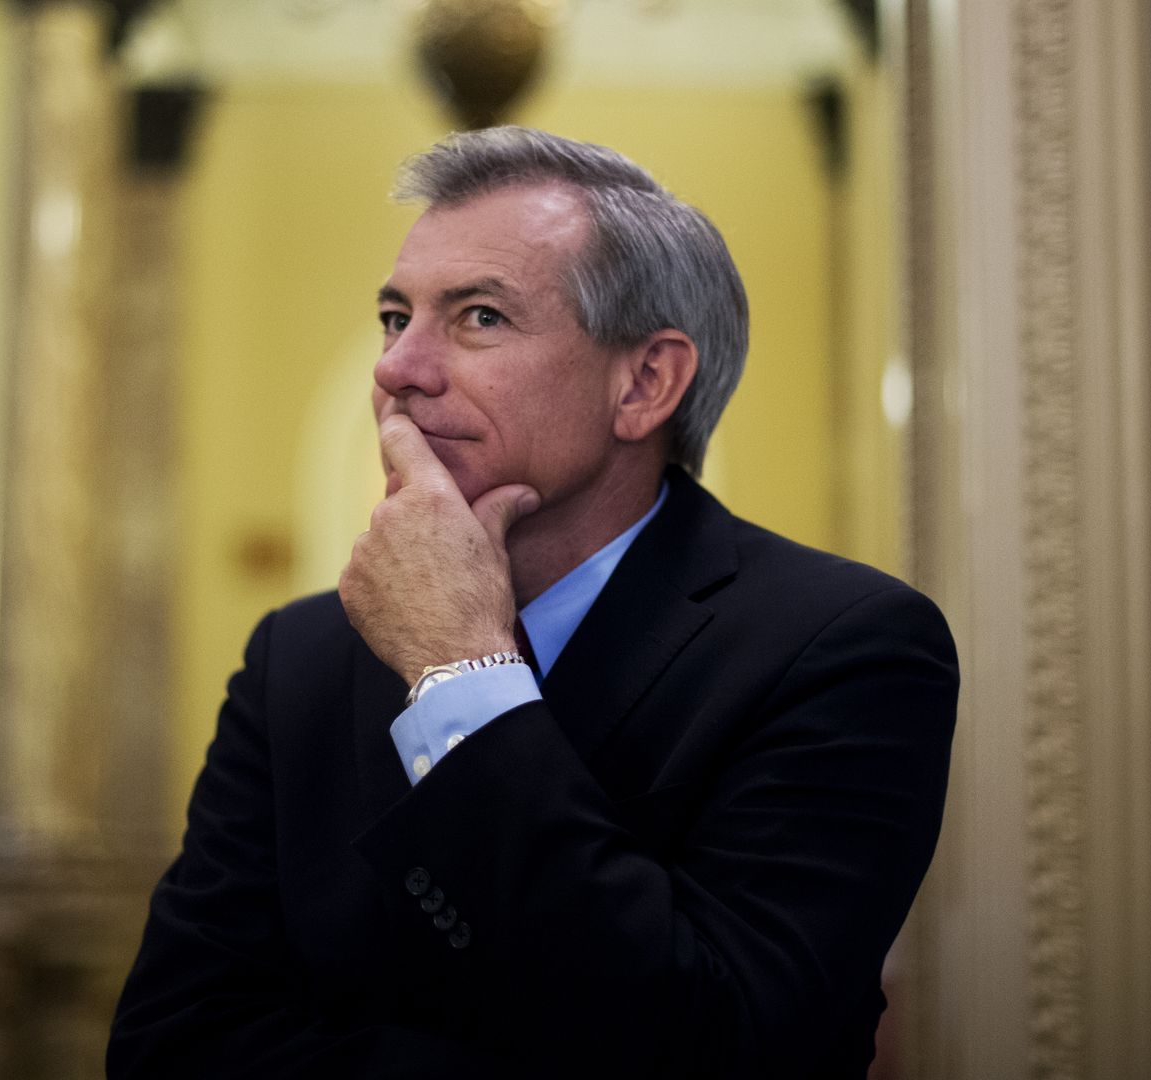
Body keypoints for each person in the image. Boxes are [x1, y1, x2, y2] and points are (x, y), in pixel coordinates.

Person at [108, 127, 958, 1078]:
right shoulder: (298, 654)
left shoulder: (844, 647)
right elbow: (170, 1046)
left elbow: (723, 1045)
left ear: (643, 383)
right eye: (397, 317)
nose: (397, 368)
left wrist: (460, 673)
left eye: (478, 317)